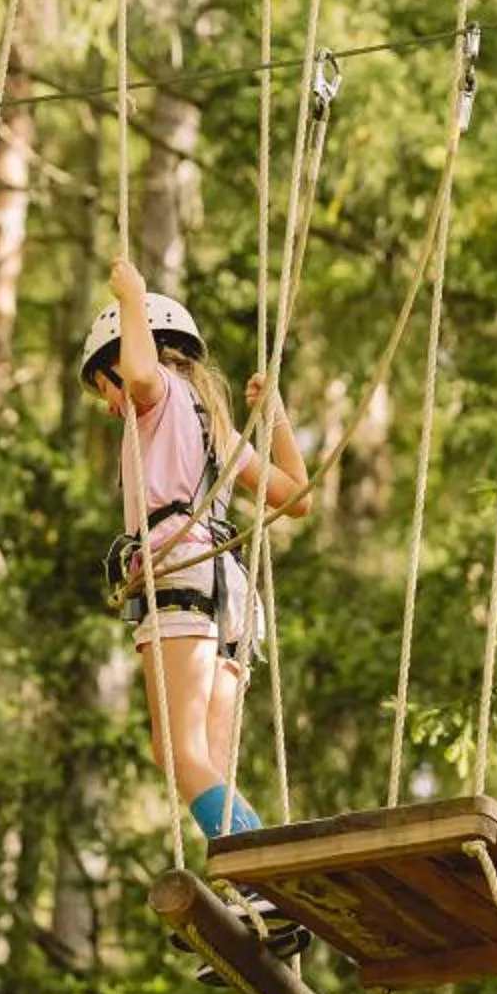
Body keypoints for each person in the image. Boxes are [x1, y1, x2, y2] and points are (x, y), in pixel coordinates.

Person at [82, 256, 311, 845]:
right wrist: (277, 418)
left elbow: (138, 375)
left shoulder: (155, 396)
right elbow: (296, 498)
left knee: (179, 754)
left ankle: (258, 871)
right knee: (206, 758)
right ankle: (255, 878)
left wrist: (131, 298)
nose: (110, 406)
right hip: (228, 591)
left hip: (180, 570)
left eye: (101, 388)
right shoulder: (216, 427)